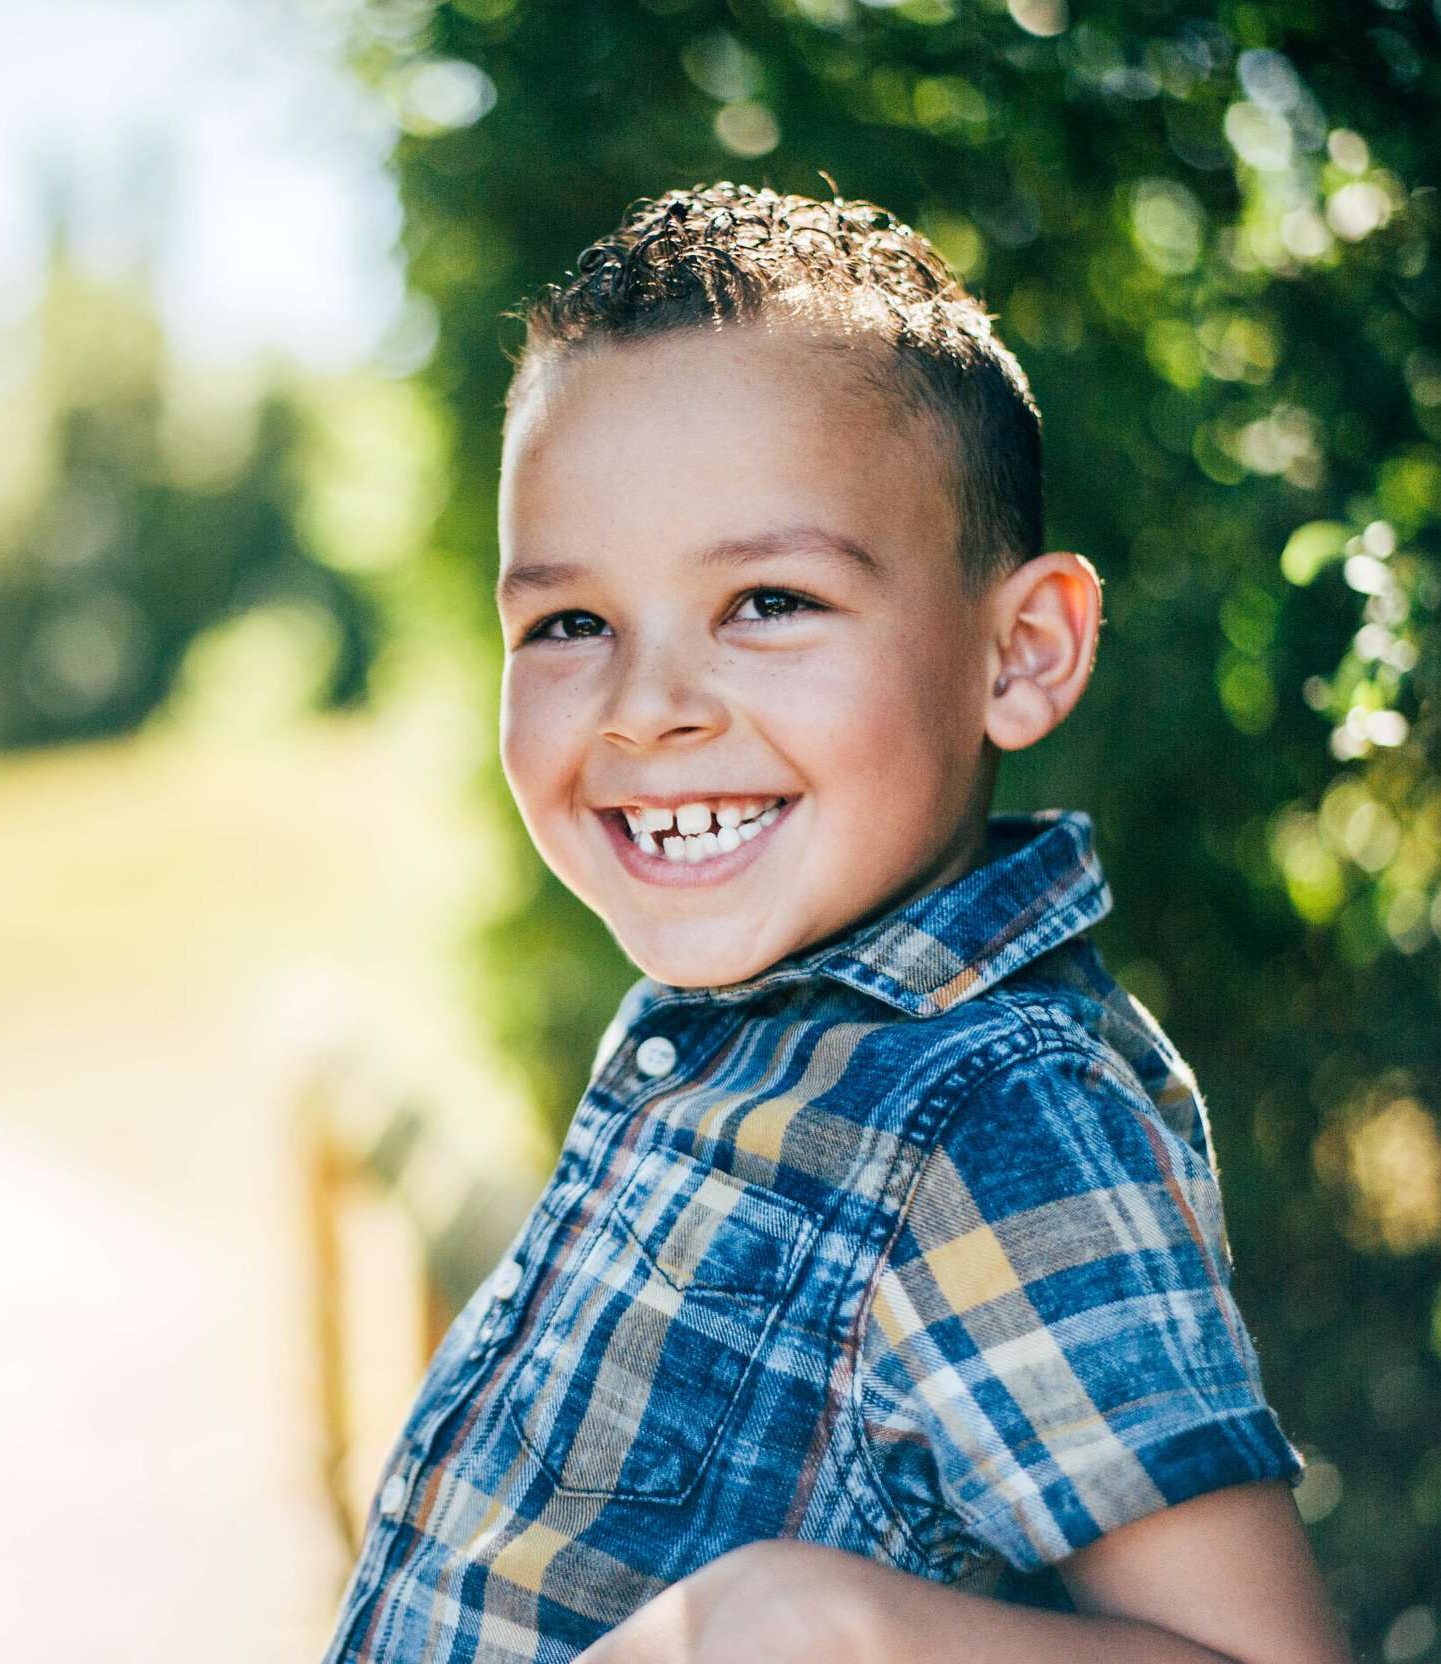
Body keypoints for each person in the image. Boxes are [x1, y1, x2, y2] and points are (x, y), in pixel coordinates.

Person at [319, 185, 1350, 1664]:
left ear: (1023, 651)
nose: (648, 705)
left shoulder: (1001, 1122)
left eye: (769, 601)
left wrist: (823, 1622)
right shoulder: (740, 1038)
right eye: (568, 624)